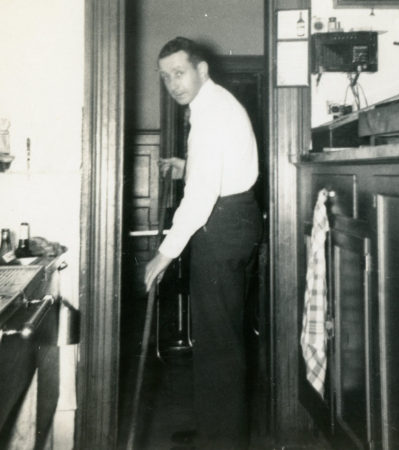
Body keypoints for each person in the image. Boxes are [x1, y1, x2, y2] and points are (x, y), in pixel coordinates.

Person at [144, 36, 262, 449]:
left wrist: (165, 251)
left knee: (218, 345)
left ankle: (221, 441)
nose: (172, 84)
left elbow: (203, 194)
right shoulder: (217, 105)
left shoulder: (210, 113)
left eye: (179, 73)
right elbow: (218, 169)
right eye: (165, 77)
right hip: (234, 219)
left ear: (202, 70)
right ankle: (217, 431)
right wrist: (185, 166)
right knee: (219, 339)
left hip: (221, 224)